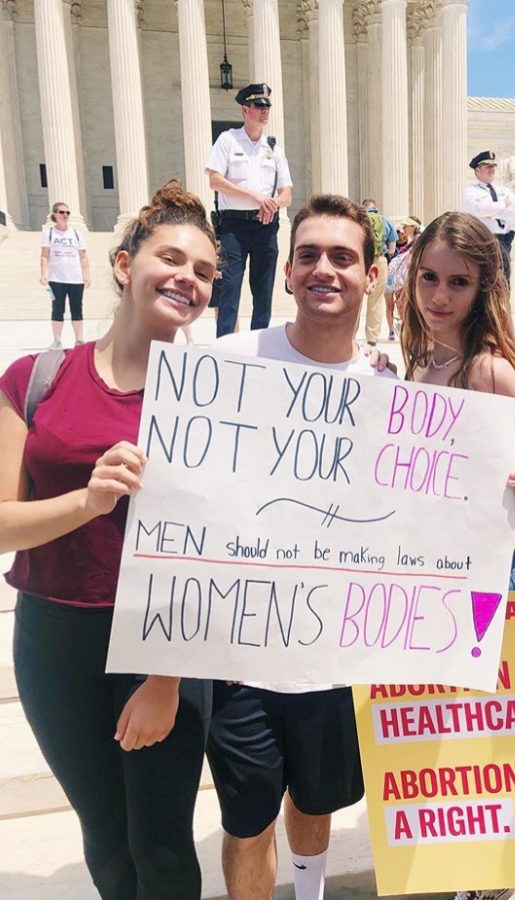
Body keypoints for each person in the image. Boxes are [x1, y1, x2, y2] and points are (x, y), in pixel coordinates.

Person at [1, 181, 216, 899]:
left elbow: (219, 552)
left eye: (205, 271)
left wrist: (165, 679)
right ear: (123, 265)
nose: (188, 277)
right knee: (105, 840)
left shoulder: (214, 398)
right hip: (55, 638)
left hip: (161, 639)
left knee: (160, 845)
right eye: (172, 258)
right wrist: (88, 501)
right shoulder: (34, 380)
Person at [207, 194, 395, 900]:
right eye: (309, 255)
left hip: (332, 644)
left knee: (316, 803)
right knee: (247, 818)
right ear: (285, 270)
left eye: (343, 257)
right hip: (238, 648)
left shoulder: (384, 384)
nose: (325, 270)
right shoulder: (228, 360)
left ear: (372, 275)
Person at [402, 211, 515, 900]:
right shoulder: (419, 358)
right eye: (428, 277)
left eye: (457, 281)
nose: (438, 295)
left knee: (512, 740)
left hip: (497, 578)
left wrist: (500, 541)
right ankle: (486, 872)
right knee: (462, 738)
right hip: (435, 574)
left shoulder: (490, 369)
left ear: (483, 287)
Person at [206, 82, 293, 336]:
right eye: (258, 105)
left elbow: (287, 193)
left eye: (266, 106)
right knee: (230, 288)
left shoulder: (274, 148)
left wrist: (272, 203)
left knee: (263, 290)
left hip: (266, 224)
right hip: (234, 225)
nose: (264, 110)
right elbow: (214, 180)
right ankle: (224, 344)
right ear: (245, 110)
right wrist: (256, 196)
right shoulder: (228, 140)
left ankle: (259, 343)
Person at [461, 151, 515, 284]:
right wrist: (502, 205)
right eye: (487, 167)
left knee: (503, 282)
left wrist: (490, 212)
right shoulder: (470, 191)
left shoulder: (504, 190)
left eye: (493, 167)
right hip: (482, 241)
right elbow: (475, 210)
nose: (492, 170)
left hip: (504, 241)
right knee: (485, 282)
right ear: (477, 170)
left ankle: (503, 305)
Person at [40, 201, 91, 349]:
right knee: (57, 309)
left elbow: (83, 256)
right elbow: (44, 255)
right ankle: (57, 340)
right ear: (54, 214)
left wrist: (87, 274)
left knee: (77, 309)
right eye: (62, 212)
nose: (65, 215)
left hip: (75, 278)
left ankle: (79, 340)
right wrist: (44, 273)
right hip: (56, 279)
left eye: (67, 213)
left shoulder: (76, 233)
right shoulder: (48, 233)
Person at [359, 198, 397, 345]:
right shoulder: (386, 221)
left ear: (363, 207)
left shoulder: (358, 219)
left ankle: (350, 335)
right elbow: (392, 248)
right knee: (376, 300)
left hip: (361, 260)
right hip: (380, 260)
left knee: (356, 299)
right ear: (375, 208)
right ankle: (372, 338)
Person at [385, 215, 422, 340]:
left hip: (404, 278)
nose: (403, 228)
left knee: (402, 306)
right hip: (401, 278)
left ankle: (404, 333)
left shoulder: (418, 239)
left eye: (406, 226)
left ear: (413, 227)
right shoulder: (414, 240)